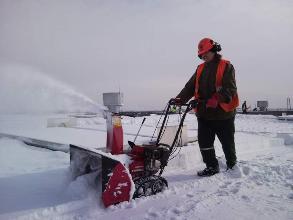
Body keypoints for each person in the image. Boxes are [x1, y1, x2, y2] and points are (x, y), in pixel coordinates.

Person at [174, 38, 239, 177]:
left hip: (223, 114)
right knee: (204, 143)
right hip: (204, 114)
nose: (203, 56)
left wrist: (216, 98)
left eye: (206, 52)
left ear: (214, 50)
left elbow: (230, 88)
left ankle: (232, 166)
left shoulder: (226, 66)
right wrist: (179, 99)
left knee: (227, 143)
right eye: (201, 54)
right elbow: (189, 87)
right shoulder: (200, 68)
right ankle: (211, 166)